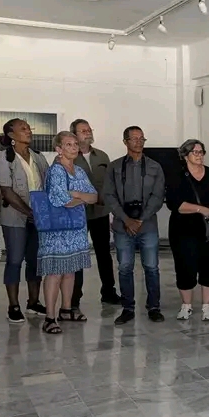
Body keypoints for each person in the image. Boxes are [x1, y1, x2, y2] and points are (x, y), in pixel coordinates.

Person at [104, 126, 166, 325]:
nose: (139, 142)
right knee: (124, 267)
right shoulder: (114, 167)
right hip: (123, 226)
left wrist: (140, 220)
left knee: (152, 267)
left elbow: (158, 197)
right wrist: (126, 219)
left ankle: (154, 307)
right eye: (134, 139)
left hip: (147, 225)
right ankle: (128, 308)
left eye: (142, 139)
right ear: (125, 142)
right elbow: (109, 195)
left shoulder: (155, 167)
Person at [37, 132, 97, 335]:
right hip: (57, 231)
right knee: (55, 272)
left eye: (75, 144)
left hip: (76, 228)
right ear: (58, 149)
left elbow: (94, 196)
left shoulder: (79, 170)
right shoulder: (55, 171)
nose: (74, 147)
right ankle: (49, 318)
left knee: (70, 270)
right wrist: (81, 199)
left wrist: (77, 194)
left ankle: (66, 309)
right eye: (68, 144)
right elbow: (61, 200)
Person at [166, 140, 209, 322]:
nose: (199, 155)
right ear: (185, 155)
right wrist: (201, 209)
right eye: (195, 152)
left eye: (201, 152)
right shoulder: (177, 175)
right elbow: (174, 203)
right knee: (185, 267)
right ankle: (186, 306)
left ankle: (207, 306)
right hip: (184, 230)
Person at [0, 118, 49, 323]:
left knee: (35, 260)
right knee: (15, 260)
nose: (28, 131)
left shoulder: (38, 157)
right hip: (14, 216)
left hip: (38, 216)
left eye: (28, 128)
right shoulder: (4, 158)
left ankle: (33, 302)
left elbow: (48, 184)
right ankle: (13, 306)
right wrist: (30, 213)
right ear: (11, 135)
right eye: (23, 128)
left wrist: (42, 213)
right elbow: (7, 192)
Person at [69, 119, 121, 310]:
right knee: (78, 255)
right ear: (74, 135)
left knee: (104, 253)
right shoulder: (69, 157)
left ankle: (108, 292)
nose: (88, 132)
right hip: (77, 214)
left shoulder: (102, 156)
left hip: (100, 212)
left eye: (89, 129)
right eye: (83, 130)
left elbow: (110, 183)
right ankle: (74, 296)